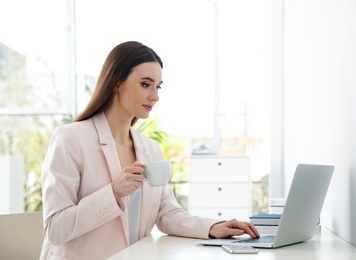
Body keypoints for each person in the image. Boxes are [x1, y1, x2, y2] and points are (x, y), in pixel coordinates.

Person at [39, 41, 259, 260]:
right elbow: (56, 228)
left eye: (158, 86)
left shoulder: (150, 149)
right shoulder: (70, 138)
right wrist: (113, 192)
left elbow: (168, 214)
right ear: (116, 82)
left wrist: (215, 227)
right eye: (146, 84)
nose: (155, 96)